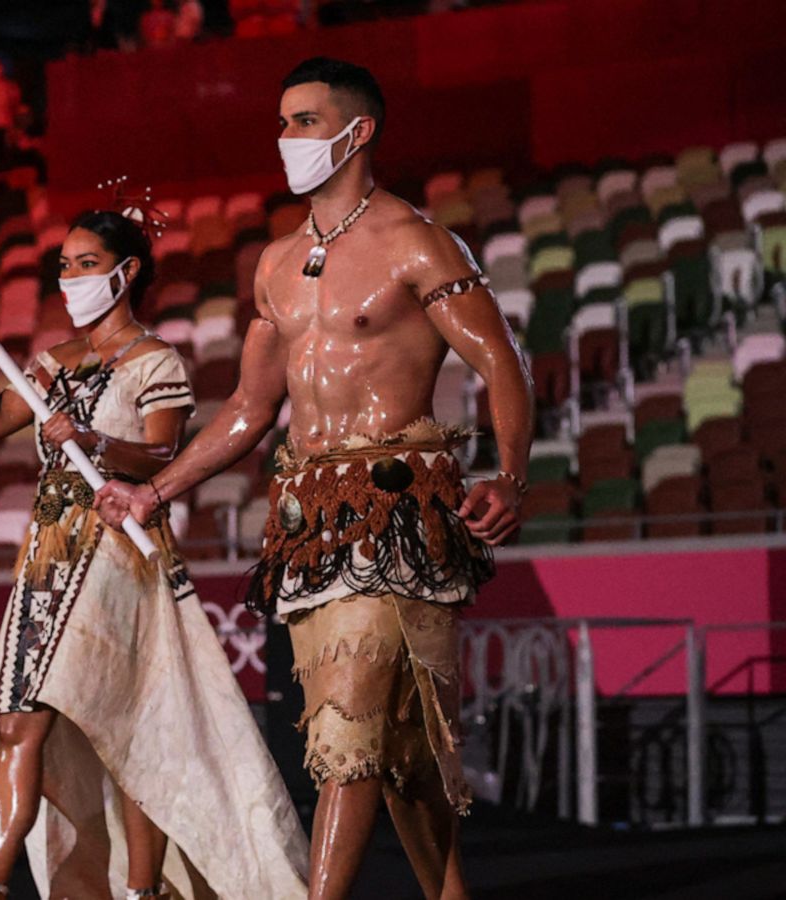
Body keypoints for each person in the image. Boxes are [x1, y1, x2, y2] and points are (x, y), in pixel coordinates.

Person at [97, 57, 534, 900]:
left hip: (401, 508)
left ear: (356, 130)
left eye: (303, 120)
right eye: (283, 120)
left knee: (351, 727)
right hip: (310, 522)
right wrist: (153, 493)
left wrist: (510, 475)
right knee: (394, 747)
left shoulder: (417, 242)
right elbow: (247, 411)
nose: (285, 137)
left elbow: (501, 360)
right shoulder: (273, 263)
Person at [0, 208, 309, 899]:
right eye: (65, 265)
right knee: (20, 719)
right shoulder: (57, 361)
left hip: (116, 552)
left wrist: (92, 441)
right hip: (46, 560)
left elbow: (163, 451)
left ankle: (142, 890)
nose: (70, 277)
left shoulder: (156, 360)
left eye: (85, 263)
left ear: (126, 271)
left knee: (122, 725)